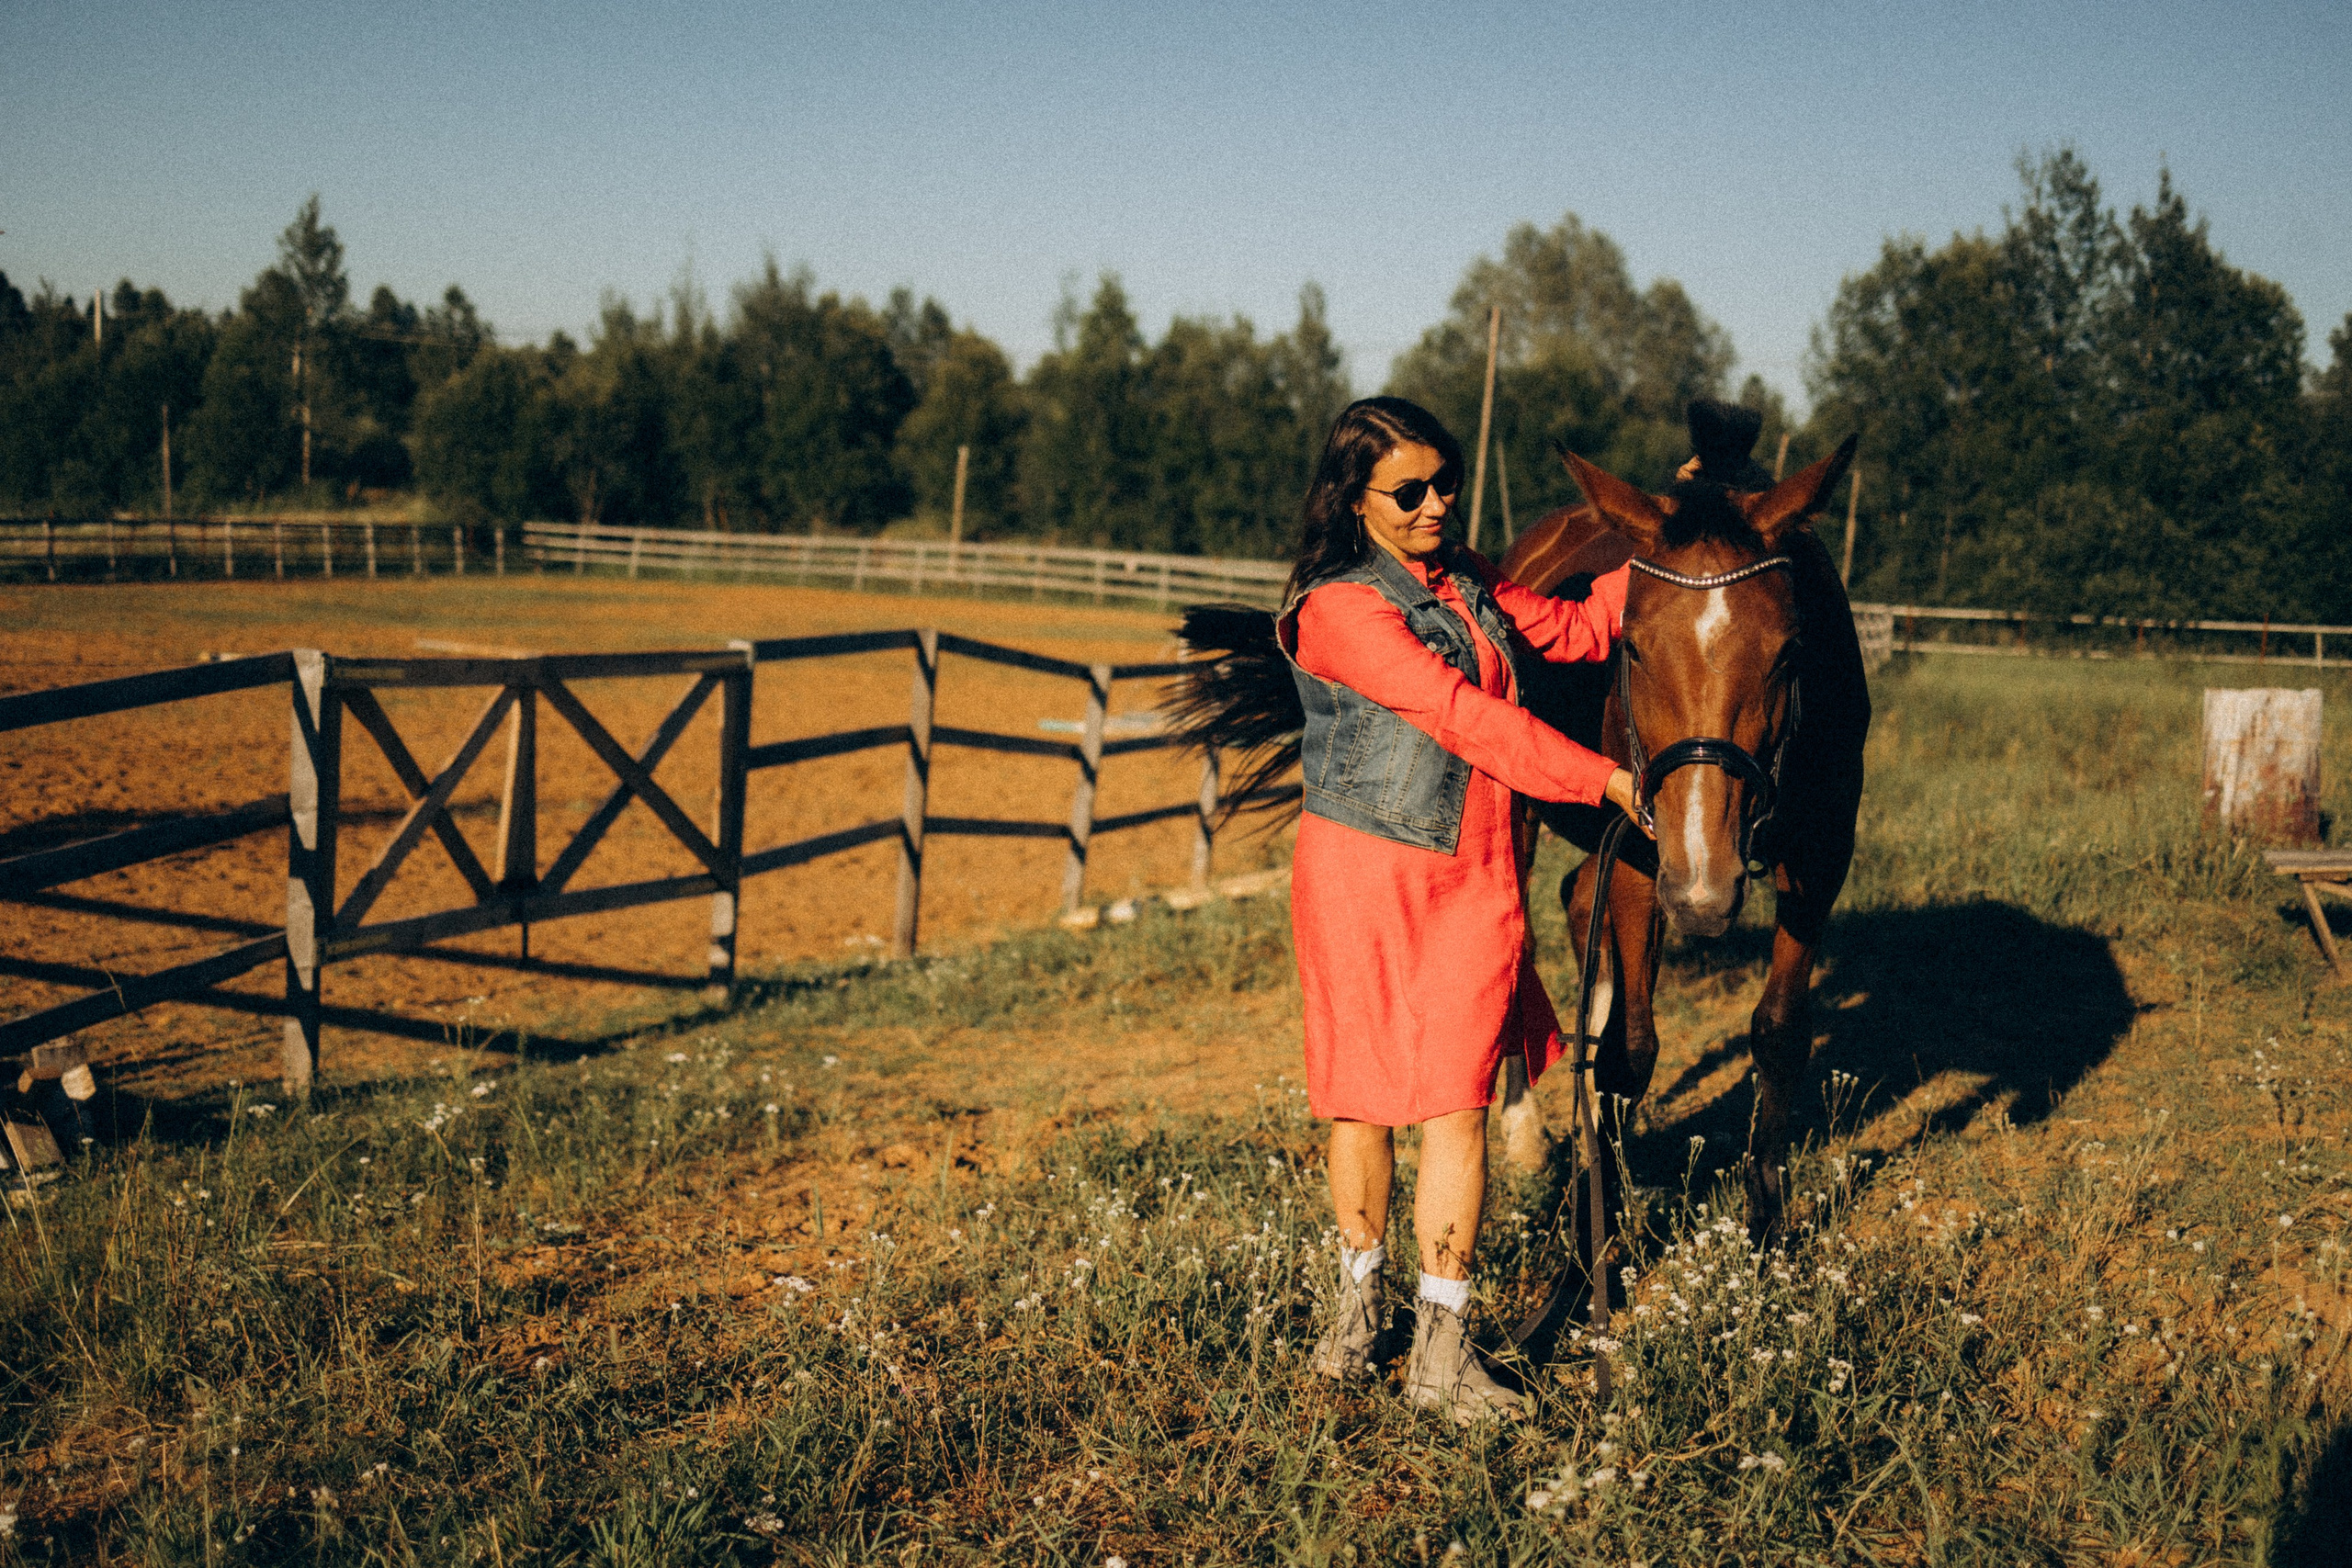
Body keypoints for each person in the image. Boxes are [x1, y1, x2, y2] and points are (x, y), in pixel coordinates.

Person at [1278, 396, 1644, 1423]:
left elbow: (1574, 632)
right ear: (1355, 499)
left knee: (1459, 1103)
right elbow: (1459, 715)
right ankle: (1355, 1320)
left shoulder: (1470, 578)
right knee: (1361, 1102)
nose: (1438, 503)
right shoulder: (1338, 609)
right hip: (1366, 879)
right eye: (1411, 490)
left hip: (1475, 877)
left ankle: (1440, 1355)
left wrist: (1671, 544)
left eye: (1447, 484)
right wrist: (1603, 780)